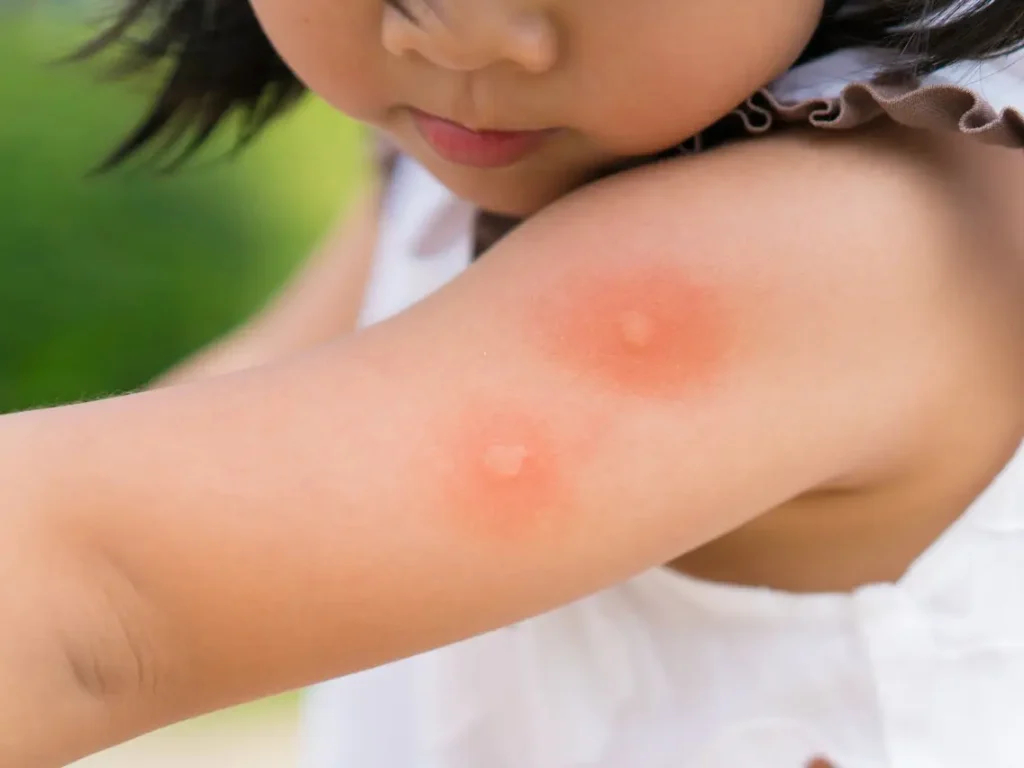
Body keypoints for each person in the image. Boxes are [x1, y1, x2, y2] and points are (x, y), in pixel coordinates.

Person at [3, 0, 1023, 765]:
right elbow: (192, 444)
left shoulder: (830, 243)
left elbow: (100, 598)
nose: (463, 29)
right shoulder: (483, 158)